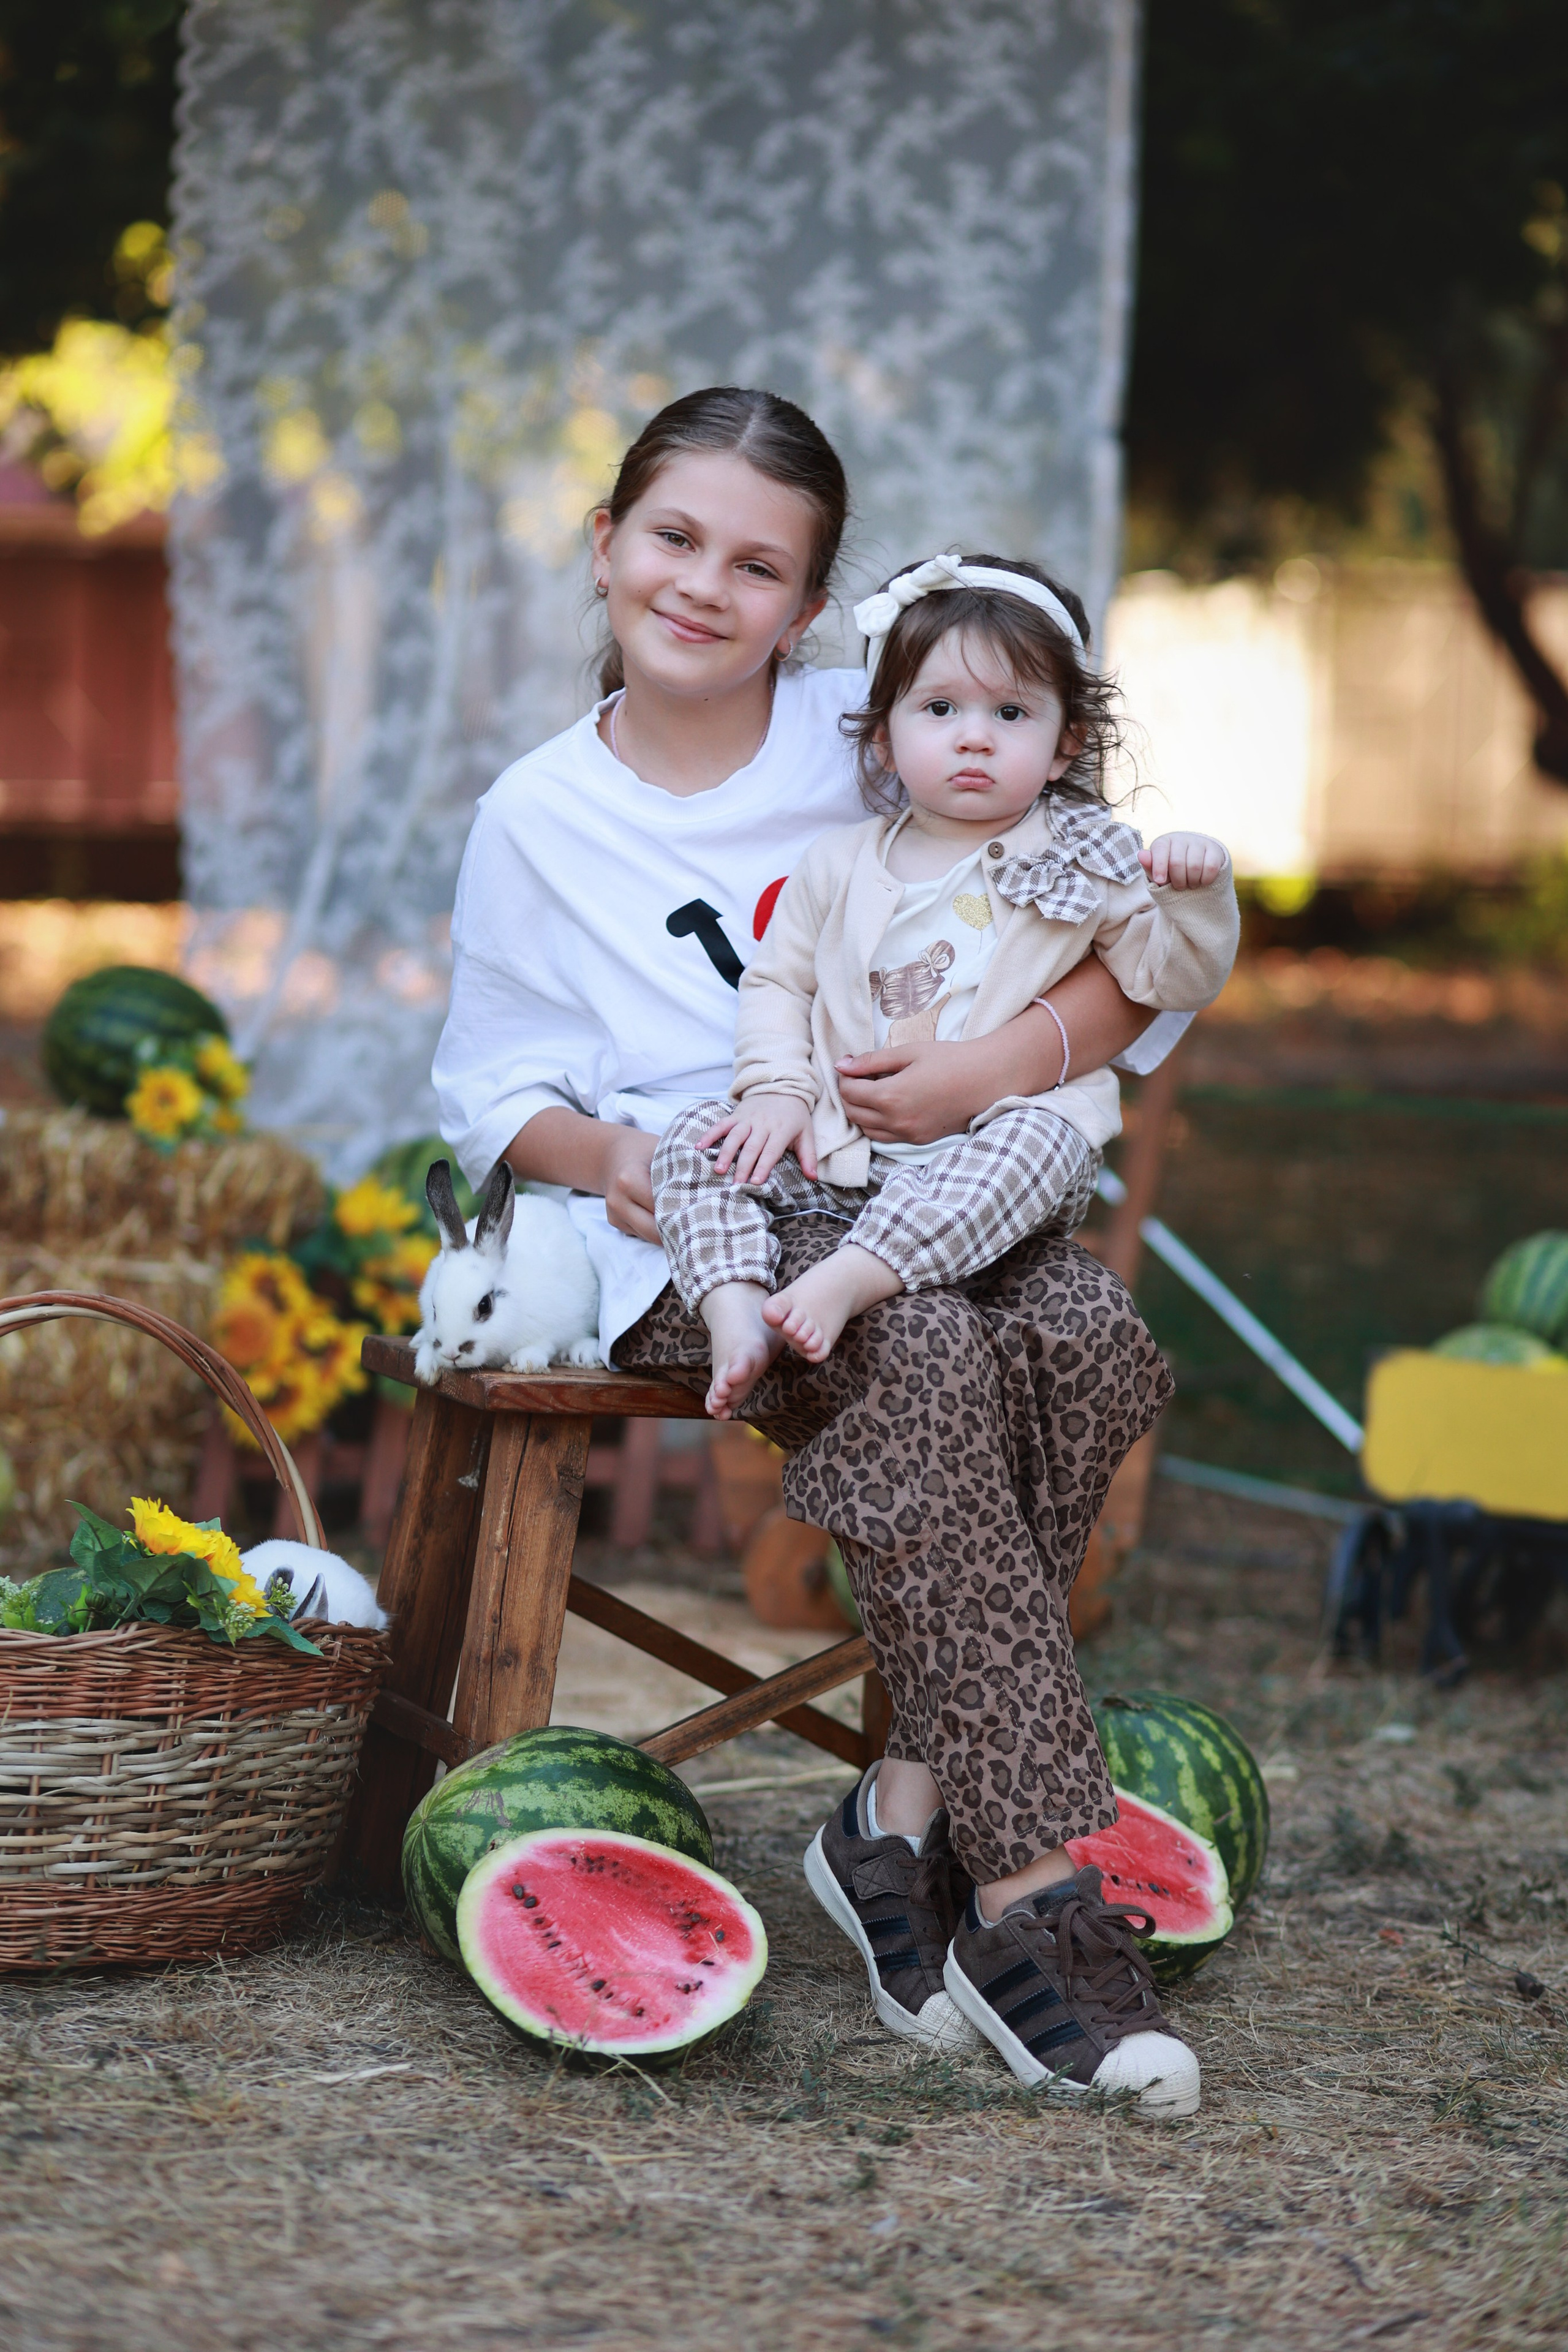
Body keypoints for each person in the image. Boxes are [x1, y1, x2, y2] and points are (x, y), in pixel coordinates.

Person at [434, 387, 1206, 2114]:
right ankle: (1026, 1905)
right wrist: (620, 1159)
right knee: (927, 1356)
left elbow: (1126, 951)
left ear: (811, 607)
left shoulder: (895, 727)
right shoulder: (537, 815)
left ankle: (896, 1815)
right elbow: (490, 1087)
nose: (705, 584)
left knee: (1081, 1332)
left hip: (925, 1177)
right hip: (691, 1234)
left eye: (757, 564)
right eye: (674, 537)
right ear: (608, 547)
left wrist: (988, 1069)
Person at [651, 549, 1237, 1419]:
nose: (975, 735)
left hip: (992, 1152)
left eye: (1011, 712)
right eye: (940, 709)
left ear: (1064, 740)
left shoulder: (1088, 854)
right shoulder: (839, 862)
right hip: (844, 1149)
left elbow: (1166, 978)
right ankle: (734, 1307)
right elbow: (778, 983)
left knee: (1045, 1137)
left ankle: (851, 1279)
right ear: (885, 736)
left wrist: (1198, 896)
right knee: (696, 1138)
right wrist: (776, 1091)